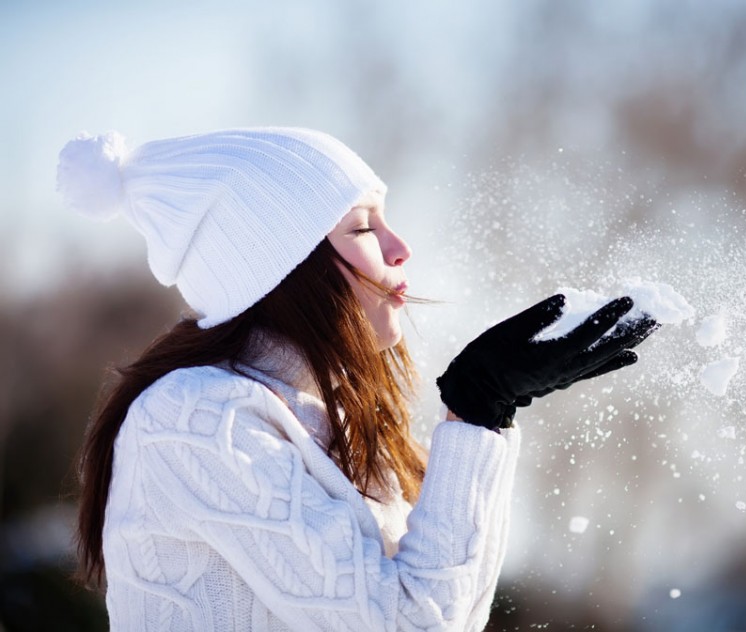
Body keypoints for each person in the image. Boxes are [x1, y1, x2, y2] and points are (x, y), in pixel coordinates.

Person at [57, 127, 657, 631]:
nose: (400, 249)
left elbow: (447, 617)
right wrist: (475, 410)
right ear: (286, 264)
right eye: (363, 227)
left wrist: (489, 416)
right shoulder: (197, 420)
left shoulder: (333, 418)